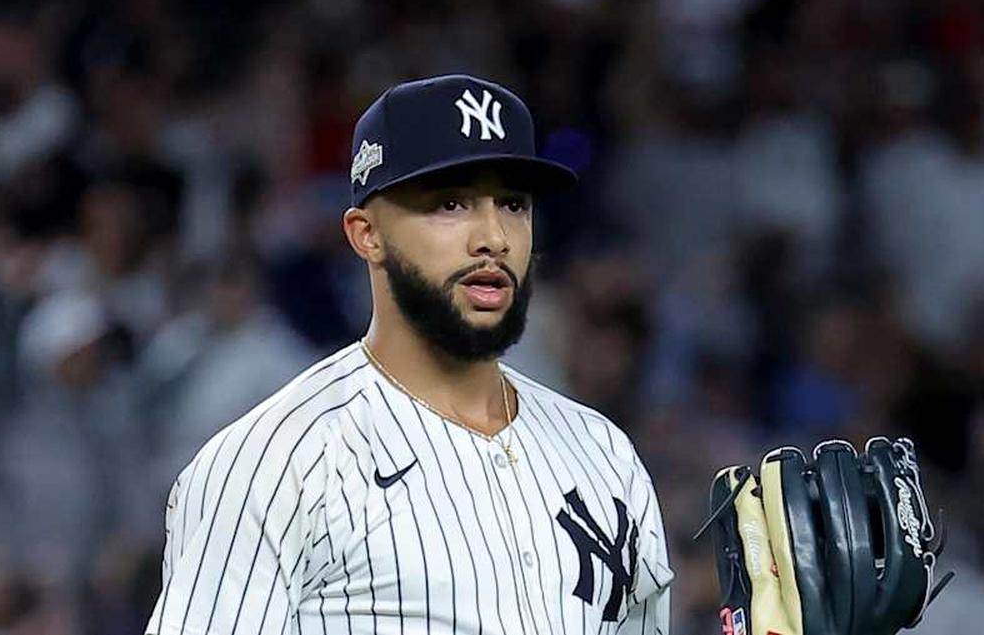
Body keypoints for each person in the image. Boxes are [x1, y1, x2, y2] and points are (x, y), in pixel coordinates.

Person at [145, 74, 673, 635]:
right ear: (366, 234)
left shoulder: (602, 450)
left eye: (513, 204)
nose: (493, 236)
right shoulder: (273, 464)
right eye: (450, 203)